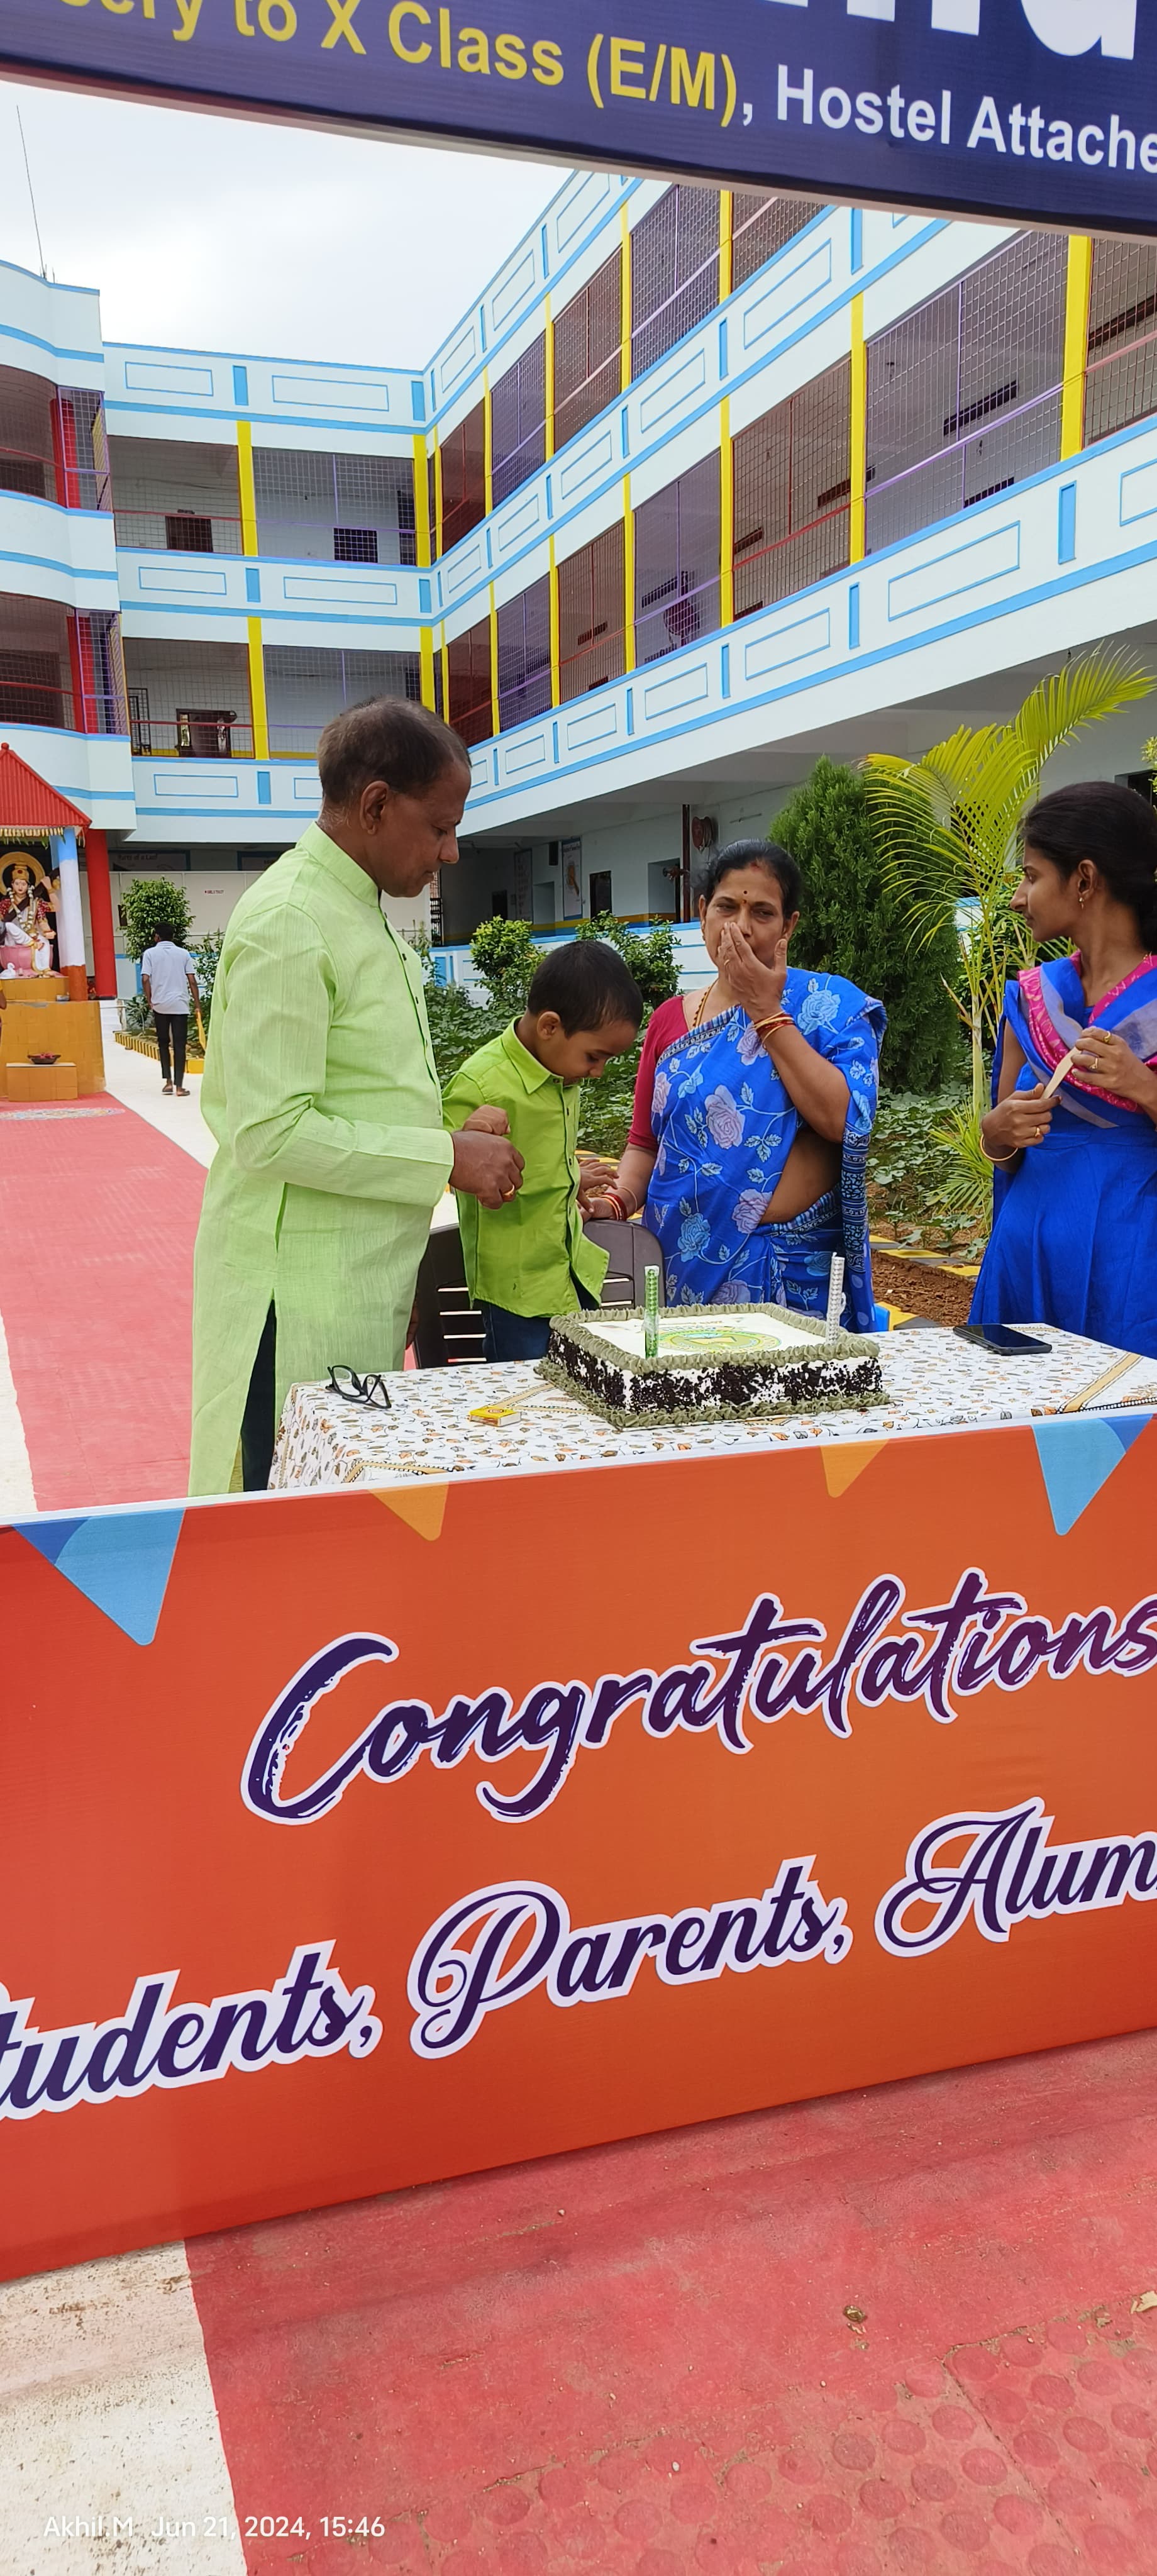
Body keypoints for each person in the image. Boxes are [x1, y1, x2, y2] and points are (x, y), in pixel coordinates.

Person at [189, 697, 523, 1496]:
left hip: (356, 1282)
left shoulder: (357, 911)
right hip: (293, 1299)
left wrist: (447, 1130)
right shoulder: (290, 921)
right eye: (439, 827)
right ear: (375, 805)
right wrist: (444, 1157)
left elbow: (361, 1092)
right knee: (284, 1521)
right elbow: (270, 1132)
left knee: (341, 1513)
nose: (450, 852)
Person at [585, 840, 885, 1324]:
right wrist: (615, 1201)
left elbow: (844, 1122)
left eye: (762, 913)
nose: (741, 927)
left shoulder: (827, 1008)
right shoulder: (669, 1021)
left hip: (789, 1277)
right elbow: (645, 1146)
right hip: (680, 1265)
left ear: (789, 926)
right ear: (702, 913)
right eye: (727, 907)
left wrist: (766, 1012)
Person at [970, 781, 1157, 1358]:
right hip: (1024, 1257)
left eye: (1031, 876)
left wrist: (1143, 1086)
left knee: (1121, 1409)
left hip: (1130, 1267)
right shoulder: (1032, 1000)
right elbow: (1008, 1148)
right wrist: (997, 1134)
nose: (1018, 898)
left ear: (1084, 880)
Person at [441, 938, 643, 1362]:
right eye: (594, 1057)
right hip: (518, 1293)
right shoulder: (481, 1083)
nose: (598, 1072)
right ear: (550, 1026)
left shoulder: (562, 1071)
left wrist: (569, 1177)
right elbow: (439, 1165)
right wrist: (464, 1141)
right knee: (524, 1392)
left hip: (571, 1272)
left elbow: (538, 1155)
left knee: (579, 1385)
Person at [141, 930, 199, 1095]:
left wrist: (149, 999)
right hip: (180, 1004)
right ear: (173, 937)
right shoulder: (183, 954)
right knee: (180, 1045)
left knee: (163, 1043)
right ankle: (180, 1087)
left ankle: (168, 1083)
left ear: (157, 937)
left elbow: (145, 979)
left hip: (160, 1005)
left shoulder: (150, 954)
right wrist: (197, 1004)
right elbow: (192, 981)